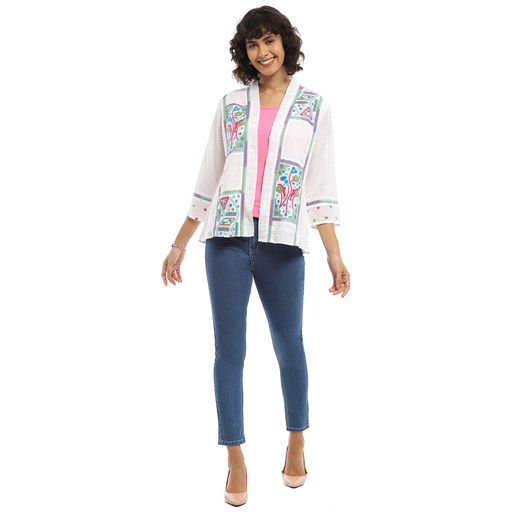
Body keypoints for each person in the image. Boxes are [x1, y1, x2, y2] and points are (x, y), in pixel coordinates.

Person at [161, 5, 350, 507]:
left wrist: (334, 255)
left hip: (283, 244)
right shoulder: (230, 105)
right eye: (252, 44)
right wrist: (179, 243)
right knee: (229, 352)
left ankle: (296, 440)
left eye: (270, 40)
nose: (263, 52)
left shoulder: (314, 107)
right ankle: (235, 456)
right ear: (244, 52)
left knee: (290, 344)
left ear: (286, 43)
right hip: (225, 239)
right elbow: (208, 177)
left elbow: (321, 187)